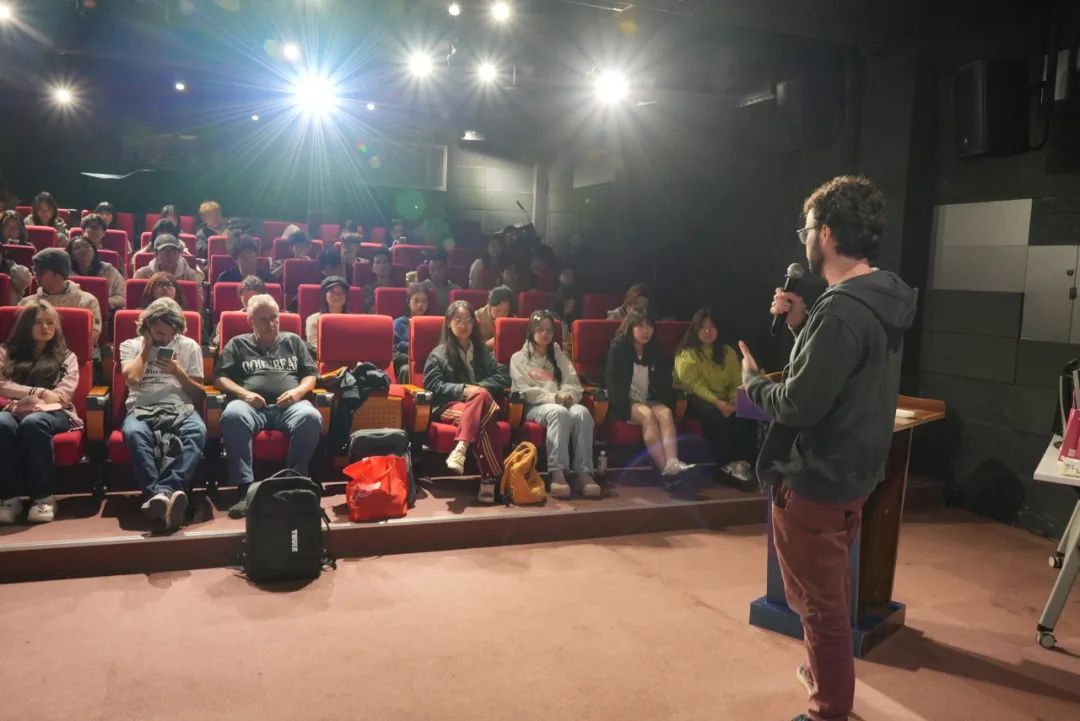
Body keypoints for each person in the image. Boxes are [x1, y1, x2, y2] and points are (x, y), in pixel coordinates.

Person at [739, 176, 916, 721]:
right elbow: (834, 380)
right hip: (851, 475)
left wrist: (752, 382)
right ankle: (824, 675)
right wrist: (801, 326)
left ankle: (828, 710)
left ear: (829, 234)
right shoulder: (878, 298)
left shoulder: (840, 310)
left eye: (808, 228)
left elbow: (798, 404)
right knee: (827, 594)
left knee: (821, 607)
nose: (805, 238)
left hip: (815, 481)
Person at [215, 294, 321, 518]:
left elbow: (310, 375)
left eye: (274, 317)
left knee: (311, 417)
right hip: (252, 407)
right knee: (233, 414)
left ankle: (294, 483)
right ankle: (245, 489)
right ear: (250, 321)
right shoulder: (238, 344)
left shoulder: (293, 341)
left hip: (289, 406)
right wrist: (245, 394)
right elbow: (220, 378)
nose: (271, 324)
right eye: (263, 320)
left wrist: (297, 393)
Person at [118, 298, 206, 532]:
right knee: (135, 434)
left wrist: (178, 372)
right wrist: (147, 348)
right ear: (146, 326)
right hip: (141, 407)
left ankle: (160, 495)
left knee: (197, 431)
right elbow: (133, 378)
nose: (165, 339)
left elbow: (198, 394)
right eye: (159, 333)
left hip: (180, 407)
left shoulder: (189, 346)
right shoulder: (130, 345)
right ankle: (163, 499)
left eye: (170, 334)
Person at [0, 300, 82, 524]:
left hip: (55, 413)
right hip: (12, 409)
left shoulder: (66, 356)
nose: (45, 328)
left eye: (50, 323)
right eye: (38, 322)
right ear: (26, 325)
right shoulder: (6, 353)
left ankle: (43, 498)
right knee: (1, 423)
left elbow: (62, 395)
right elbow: (1, 384)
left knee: (34, 422)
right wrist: (36, 392)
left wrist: (32, 399)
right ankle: (8, 498)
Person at [423, 300, 509, 504]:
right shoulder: (438, 353)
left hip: (479, 404)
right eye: (458, 320)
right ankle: (491, 479)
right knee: (485, 415)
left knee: (481, 397)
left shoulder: (482, 351)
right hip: (448, 406)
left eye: (469, 320)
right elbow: (433, 386)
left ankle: (461, 446)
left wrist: (476, 389)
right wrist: (463, 390)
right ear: (449, 323)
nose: (464, 324)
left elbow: (504, 376)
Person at [510, 309, 600, 500]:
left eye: (550, 330)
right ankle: (557, 472)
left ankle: (583, 472)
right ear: (531, 330)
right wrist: (553, 398)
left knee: (582, 413)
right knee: (558, 413)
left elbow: (573, 382)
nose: (546, 334)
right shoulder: (518, 358)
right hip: (535, 406)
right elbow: (523, 390)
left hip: (561, 401)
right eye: (540, 329)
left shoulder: (558, 355)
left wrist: (568, 394)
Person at [605, 307, 692, 488]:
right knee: (647, 415)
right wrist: (625, 404)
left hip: (650, 398)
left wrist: (662, 399)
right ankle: (665, 471)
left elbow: (663, 382)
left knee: (666, 413)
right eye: (640, 326)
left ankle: (673, 463)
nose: (646, 331)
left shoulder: (655, 348)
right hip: (626, 400)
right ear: (631, 327)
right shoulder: (618, 347)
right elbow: (613, 384)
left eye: (649, 326)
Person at [674, 307, 756, 488]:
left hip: (724, 398)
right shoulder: (686, 353)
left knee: (748, 410)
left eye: (711, 327)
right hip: (694, 399)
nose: (707, 331)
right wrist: (719, 403)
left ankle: (743, 462)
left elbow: (737, 380)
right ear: (695, 330)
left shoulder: (727, 352)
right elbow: (694, 385)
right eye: (702, 327)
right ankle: (723, 464)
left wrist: (734, 398)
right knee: (712, 414)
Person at [21, 249, 102, 346]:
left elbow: (91, 337)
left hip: (73, 353)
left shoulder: (86, 301)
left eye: (40, 271)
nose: (35, 274)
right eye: (34, 270)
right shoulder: (26, 303)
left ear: (57, 273)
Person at [133, 234, 204, 308]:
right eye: (164, 250)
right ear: (155, 254)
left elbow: (198, 305)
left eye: (173, 250)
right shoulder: (142, 274)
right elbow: (136, 303)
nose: (169, 254)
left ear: (179, 254)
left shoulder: (191, 276)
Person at [67, 236, 125, 310]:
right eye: (77, 248)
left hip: (107, 312)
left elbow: (123, 296)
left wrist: (102, 302)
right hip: (76, 311)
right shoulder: (67, 274)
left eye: (86, 246)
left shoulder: (109, 270)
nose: (83, 249)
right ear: (71, 256)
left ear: (94, 251)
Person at [393, 282, 430, 381]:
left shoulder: (431, 323)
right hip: (405, 362)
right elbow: (393, 351)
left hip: (429, 361)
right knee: (407, 370)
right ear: (408, 302)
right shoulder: (398, 323)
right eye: (416, 300)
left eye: (424, 302)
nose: (420, 305)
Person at [305, 275, 350, 350]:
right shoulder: (313, 320)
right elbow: (314, 347)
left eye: (342, 292)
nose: (337, 296)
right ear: (324, 295)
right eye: (333, 292)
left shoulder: (353, 321)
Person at [419, 248, 460, 314]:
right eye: (432, 269)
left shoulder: (456, 290)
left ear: (446, 268)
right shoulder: (422, 288)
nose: (435, 273)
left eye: (439, 268)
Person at [475, 285, 514, 350]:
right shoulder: (477, 317)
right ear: (490, 306)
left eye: (506, 311)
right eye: (498, 311)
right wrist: (487, 344)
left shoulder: (512, 318)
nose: (502, 315)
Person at [361, 247, 395, 313]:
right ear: (372, 268)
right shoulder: (368, 289)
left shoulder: (398, 288)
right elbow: (367, 312)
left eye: (385, 261)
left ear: (390, 265)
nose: (382, 265)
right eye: (378, 262)